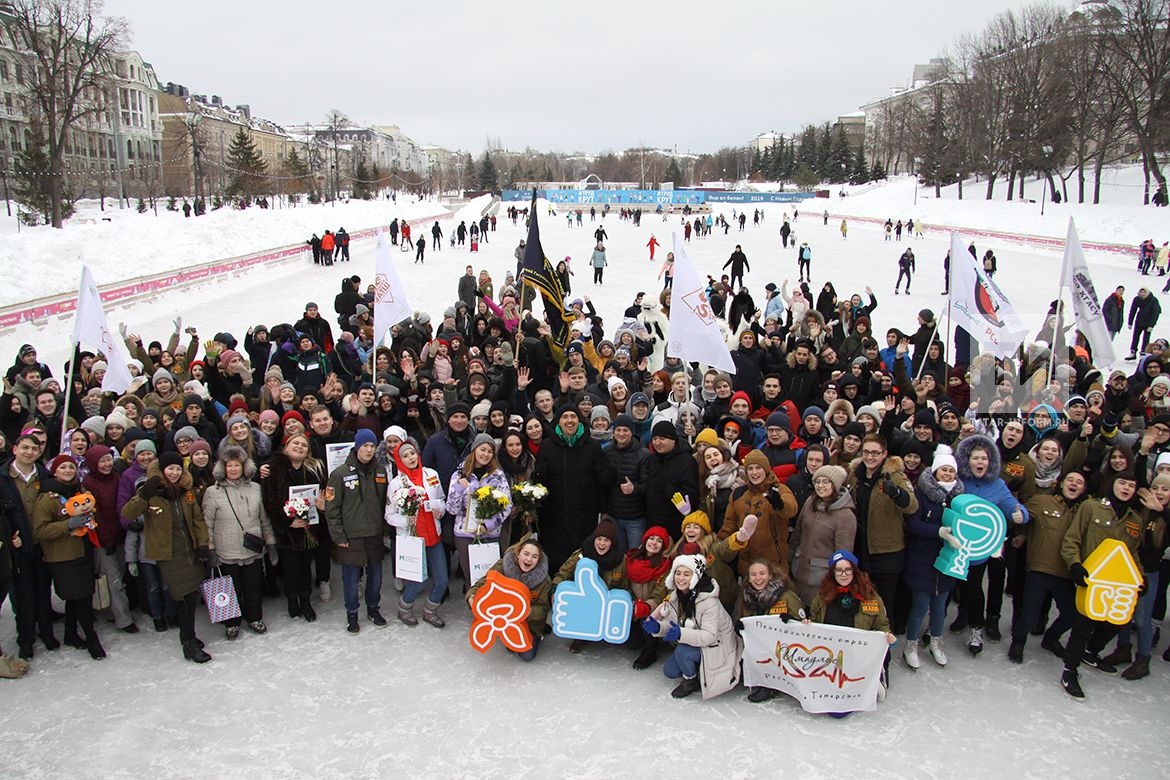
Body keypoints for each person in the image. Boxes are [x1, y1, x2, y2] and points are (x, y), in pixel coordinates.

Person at [1058, 468, 1146, 699]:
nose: (1126, 488)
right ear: (1113, 484)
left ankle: (1091, 651)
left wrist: (1140, 577)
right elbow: (1072, 539)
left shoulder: (1135, 519)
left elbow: (1133, 553)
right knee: (1083, 625)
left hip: (1117, 582)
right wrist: (1075, 565)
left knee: (1116, 621)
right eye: (1122, 483)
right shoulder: (1091, 507)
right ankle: (1069, 670)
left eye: (1131, 486)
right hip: (1091, 578)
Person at [121, 452, 212, 663]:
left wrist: (202, 544)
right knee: (185, 596)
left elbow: (197, 519)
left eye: (178, 468)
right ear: (162, 470)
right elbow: (127, 513)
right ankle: (189, 642)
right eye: (170, 468)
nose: (174, 473)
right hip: (169, 553)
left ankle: (187, 635)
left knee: (190, 596)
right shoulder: (152, 492)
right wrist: (144, 495)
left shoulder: (186, 492)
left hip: (190, 550)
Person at [32, 454, 105, 660]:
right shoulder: (47, 497)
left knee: (78, 596)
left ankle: (70, 633)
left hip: (82, 550)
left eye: (71, 467)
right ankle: (91, 638)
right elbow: (39, 530)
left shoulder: (78, 491)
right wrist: (68, 525)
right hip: (63, 556)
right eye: (63, 467)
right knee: (81, 597)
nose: (68, 471)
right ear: (54, 472)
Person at [642, 553, 743, 700]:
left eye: (686, 574)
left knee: (683, 652)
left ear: (695, 576)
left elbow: (709, 636)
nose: (681, 578)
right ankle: (698, 667)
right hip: (695, 641)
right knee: (670, 671)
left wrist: (680, 634)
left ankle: (691, 680)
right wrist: (658, 627)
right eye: (678, 573)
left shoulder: (708, 601)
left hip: (718, 646)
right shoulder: (676, 596)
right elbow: (672, 625)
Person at [202, 445, 275, 640]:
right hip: (226, 549)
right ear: (223, 468)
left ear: (244, 467)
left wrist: (270, 543)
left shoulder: (256, 488)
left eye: (237, 465)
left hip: (252, 548)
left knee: (254, 586)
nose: (233, 469)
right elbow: (207, 523)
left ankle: (254, 617)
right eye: (229, 465)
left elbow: (264, 519)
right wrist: (210, 549)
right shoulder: (212, 492)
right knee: (230, 588)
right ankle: (231, 623)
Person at [806, 550, 896, 706]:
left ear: (854, 571)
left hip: (859, 657)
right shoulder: (822, 596)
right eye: (839, 570)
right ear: (833, 572)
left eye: (848, 570)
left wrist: (887, 634)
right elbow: (814, 621)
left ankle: (874, 679)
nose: (843, 574)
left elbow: (881, 623)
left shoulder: (870, 596)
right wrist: (807, 625)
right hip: (831, 658)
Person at [533, 405, 614, 572]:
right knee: (556, 561)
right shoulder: (547, 446)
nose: (569, 420)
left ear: (579, 421)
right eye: (565, 417)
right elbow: (539, 482)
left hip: (584, 518)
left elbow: (602, 481)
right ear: (558, 422)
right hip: (554, 518)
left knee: (583, 560)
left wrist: (604, 508)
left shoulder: (592, 446)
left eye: (573, 416)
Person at [903, 446, 964, 669]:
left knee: (940, 607)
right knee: (920, 606)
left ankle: (936, 643)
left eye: (951, 470)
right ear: (935, 471)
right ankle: (911, 645)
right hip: (922, 559)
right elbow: (913, 524)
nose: (947, 474)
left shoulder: (960, 498)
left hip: (947, 561)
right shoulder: (921, 495)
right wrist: (937, 532)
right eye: (943, 470)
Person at [325, 429, 389, 634]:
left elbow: (385, 503)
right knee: (351, 581)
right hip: (351, 537)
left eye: (372, 446)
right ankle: (352, 614)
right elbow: (332, 509)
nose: (369, 450)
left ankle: (373, 609)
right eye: (365, 446)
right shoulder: (340, 474)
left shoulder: (381, 471)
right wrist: (338, 536)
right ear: (356, 447)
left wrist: (385, 531)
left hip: (374, 535)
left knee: (376, 577)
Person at [385, 440, 448, 628]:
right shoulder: (396, 484)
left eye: (412, 453)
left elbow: (441, 499)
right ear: (399, 460)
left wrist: (440, 511)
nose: (410, 458)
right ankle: (404, 608)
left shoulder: (431, 475)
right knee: (417, 582)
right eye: (405, 456)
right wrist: (406, 521)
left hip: (433, 537)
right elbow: (389, 515)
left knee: (442, 581)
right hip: (413, 539)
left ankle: (430, 611)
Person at [445, 434, 512, 596]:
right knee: (472, 578)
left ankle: (489, 607)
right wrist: (459, 489)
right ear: (474, 450)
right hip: (465, 535)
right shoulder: (460, 474)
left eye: (490, 451)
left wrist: (488, 525)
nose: (486, 454)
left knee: (491, 578)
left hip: (490, 534)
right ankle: (474, 607)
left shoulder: (498, 475)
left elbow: (507, 505)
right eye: (482, 449)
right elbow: (451, 509)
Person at [466, 537, 551, 661]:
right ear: (518, 554)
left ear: (538, 560)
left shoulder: (544, 580)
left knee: (527, 656)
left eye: (534, 556)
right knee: (511, 646)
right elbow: (482, 584)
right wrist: (471, 596)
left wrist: (527, 612)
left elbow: (543, 608)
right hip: (503, 616)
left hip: (530, 622)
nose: (529, 559)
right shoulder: (502, 567)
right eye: (526, 554)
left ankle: (539, 632)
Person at [737, 559, 805, 702]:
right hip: (761, 645)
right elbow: (744, 619)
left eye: (762, 573)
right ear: (749, 578)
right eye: (753, 575)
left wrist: (791, 621)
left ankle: (773, 685)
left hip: (784, 647)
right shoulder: (747, 597)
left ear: (770, 576)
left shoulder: (786, 596)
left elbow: (803, 624)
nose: (758, 578)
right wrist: (741, 627)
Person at [790, 465, 856, 606]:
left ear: (835, 485)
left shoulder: (846, 516)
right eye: (817, 481)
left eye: (826, 482)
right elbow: (797, 534)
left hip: (821, 581)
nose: (820, 486)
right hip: (798, 573)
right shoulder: (810, 502)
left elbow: (843, 556)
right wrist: (789, 558)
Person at [625, 525, 672, 669]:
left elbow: (659, 594)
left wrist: (647, 606)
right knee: (632, 644)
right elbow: (624, 584)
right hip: (633, 605)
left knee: (647, 619)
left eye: (659, 541)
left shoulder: (665, 566)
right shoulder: (631, 559)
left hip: (652, 609)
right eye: (651, 538)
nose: (654, 543)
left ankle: (650, 651)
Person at [1127, 287, 1161, 360]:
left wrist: (1151, 325)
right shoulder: (1137, 299)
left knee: (1146, 339)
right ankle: (1133, 352)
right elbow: (1132, 310)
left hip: (1148, 322)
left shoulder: (1153, 300)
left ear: (1147, 292)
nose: (1142, 294)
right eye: (1141, 292)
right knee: (1135, 337)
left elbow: (1155, 313)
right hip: (1139, 321)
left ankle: (1143, 352)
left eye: (1144, 292)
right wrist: (1130, 322)